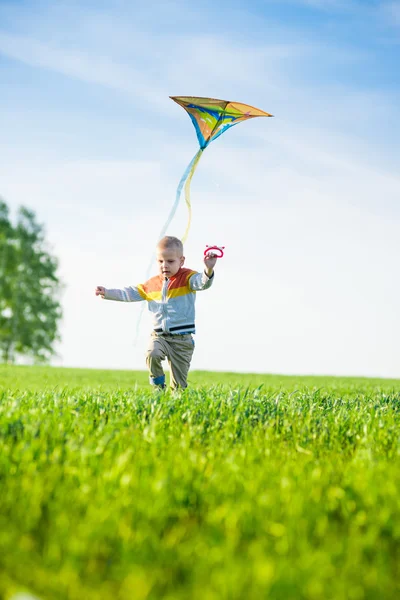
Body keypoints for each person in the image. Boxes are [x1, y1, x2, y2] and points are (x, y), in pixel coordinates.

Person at [95, 236, 218, 390]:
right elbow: (130, 293)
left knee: (179, 388)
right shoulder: (152, 284)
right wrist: (107, 292)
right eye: (160, 261)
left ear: (182, 260)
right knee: (152, 354)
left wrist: (208, 269)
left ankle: (174, 400)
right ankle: (158, 387)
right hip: (159, 336)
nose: (164, 265)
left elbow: (202, 282)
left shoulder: (187, 278)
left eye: (170, 261)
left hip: (182, 341)